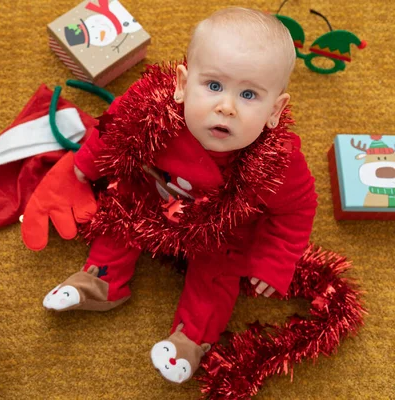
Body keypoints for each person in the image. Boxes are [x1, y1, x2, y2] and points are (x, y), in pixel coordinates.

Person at [40, 7, 317, 384]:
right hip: (153, 196)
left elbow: (297, 210)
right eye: (214, 86)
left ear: (275, 110)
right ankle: (100, 281)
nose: (226, 107)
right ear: (183, 84)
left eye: (249, 94)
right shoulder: (152, 108)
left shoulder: (278, 160)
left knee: (218, 275)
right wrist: (89, 161)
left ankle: (190, 339)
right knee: (121, 213)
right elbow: (115, 124)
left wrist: (275, 261)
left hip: (218, 229)